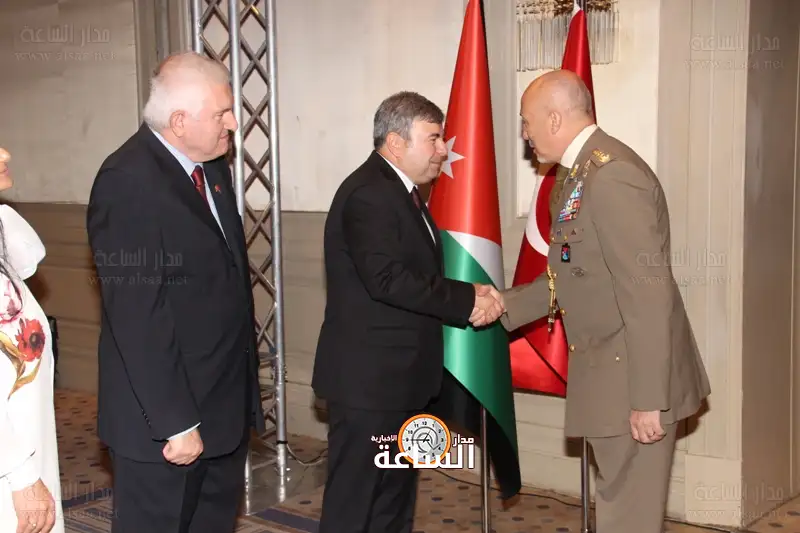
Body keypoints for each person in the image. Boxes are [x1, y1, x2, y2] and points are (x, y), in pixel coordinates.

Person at [499, 70, 711, 533]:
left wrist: (649, 399)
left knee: (628, 519)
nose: (525, 133)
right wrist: (501, 306)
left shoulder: (611, 176)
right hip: (609, 377)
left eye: (526, 121)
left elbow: (647, 292)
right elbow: (572, 275)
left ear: (555, 119)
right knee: (620, 511)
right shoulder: (577, 176)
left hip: (633, 382)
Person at [86, 52, 265, 533]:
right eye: (221, 114)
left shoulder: (212, 168)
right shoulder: (127, 180)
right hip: (164, 429)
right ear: (180, 121)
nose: (233, 124)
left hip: (222, 413)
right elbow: (138, 315)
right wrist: (176, 423)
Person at [311, 91, 505, 533]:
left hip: (401, 383)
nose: (443, 149)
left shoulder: (401, 193)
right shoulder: (369, 193)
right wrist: (466, 300)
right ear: (396, 143)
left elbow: (413, 275)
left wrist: (469, 292)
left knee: (393, 501)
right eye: (433, 138)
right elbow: (387, 279)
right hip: (369, 386)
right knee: (355, 505)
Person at [0, 147, 62, 533]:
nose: (4, 153)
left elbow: (27, 258)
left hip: (26, 450)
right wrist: (21, 476)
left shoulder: (5, 228)